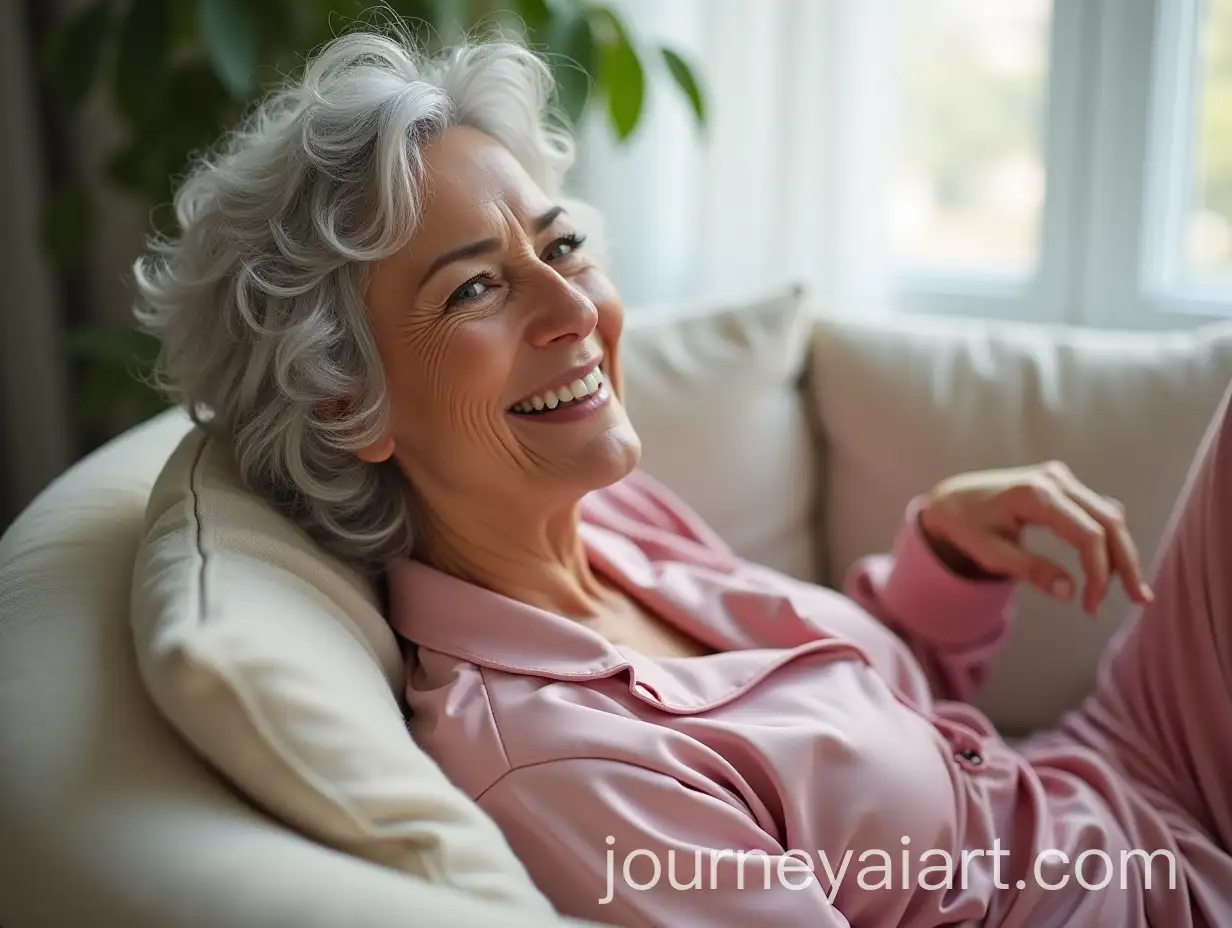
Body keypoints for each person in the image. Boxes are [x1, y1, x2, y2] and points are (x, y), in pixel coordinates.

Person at [132, 25, 1232, 928]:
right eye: (473, 291)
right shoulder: (553, 762)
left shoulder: (604, 518)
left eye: (558, 247)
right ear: (345, 400)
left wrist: (938, 563)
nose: (573, 310)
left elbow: (850, 747)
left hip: (1116, 764)